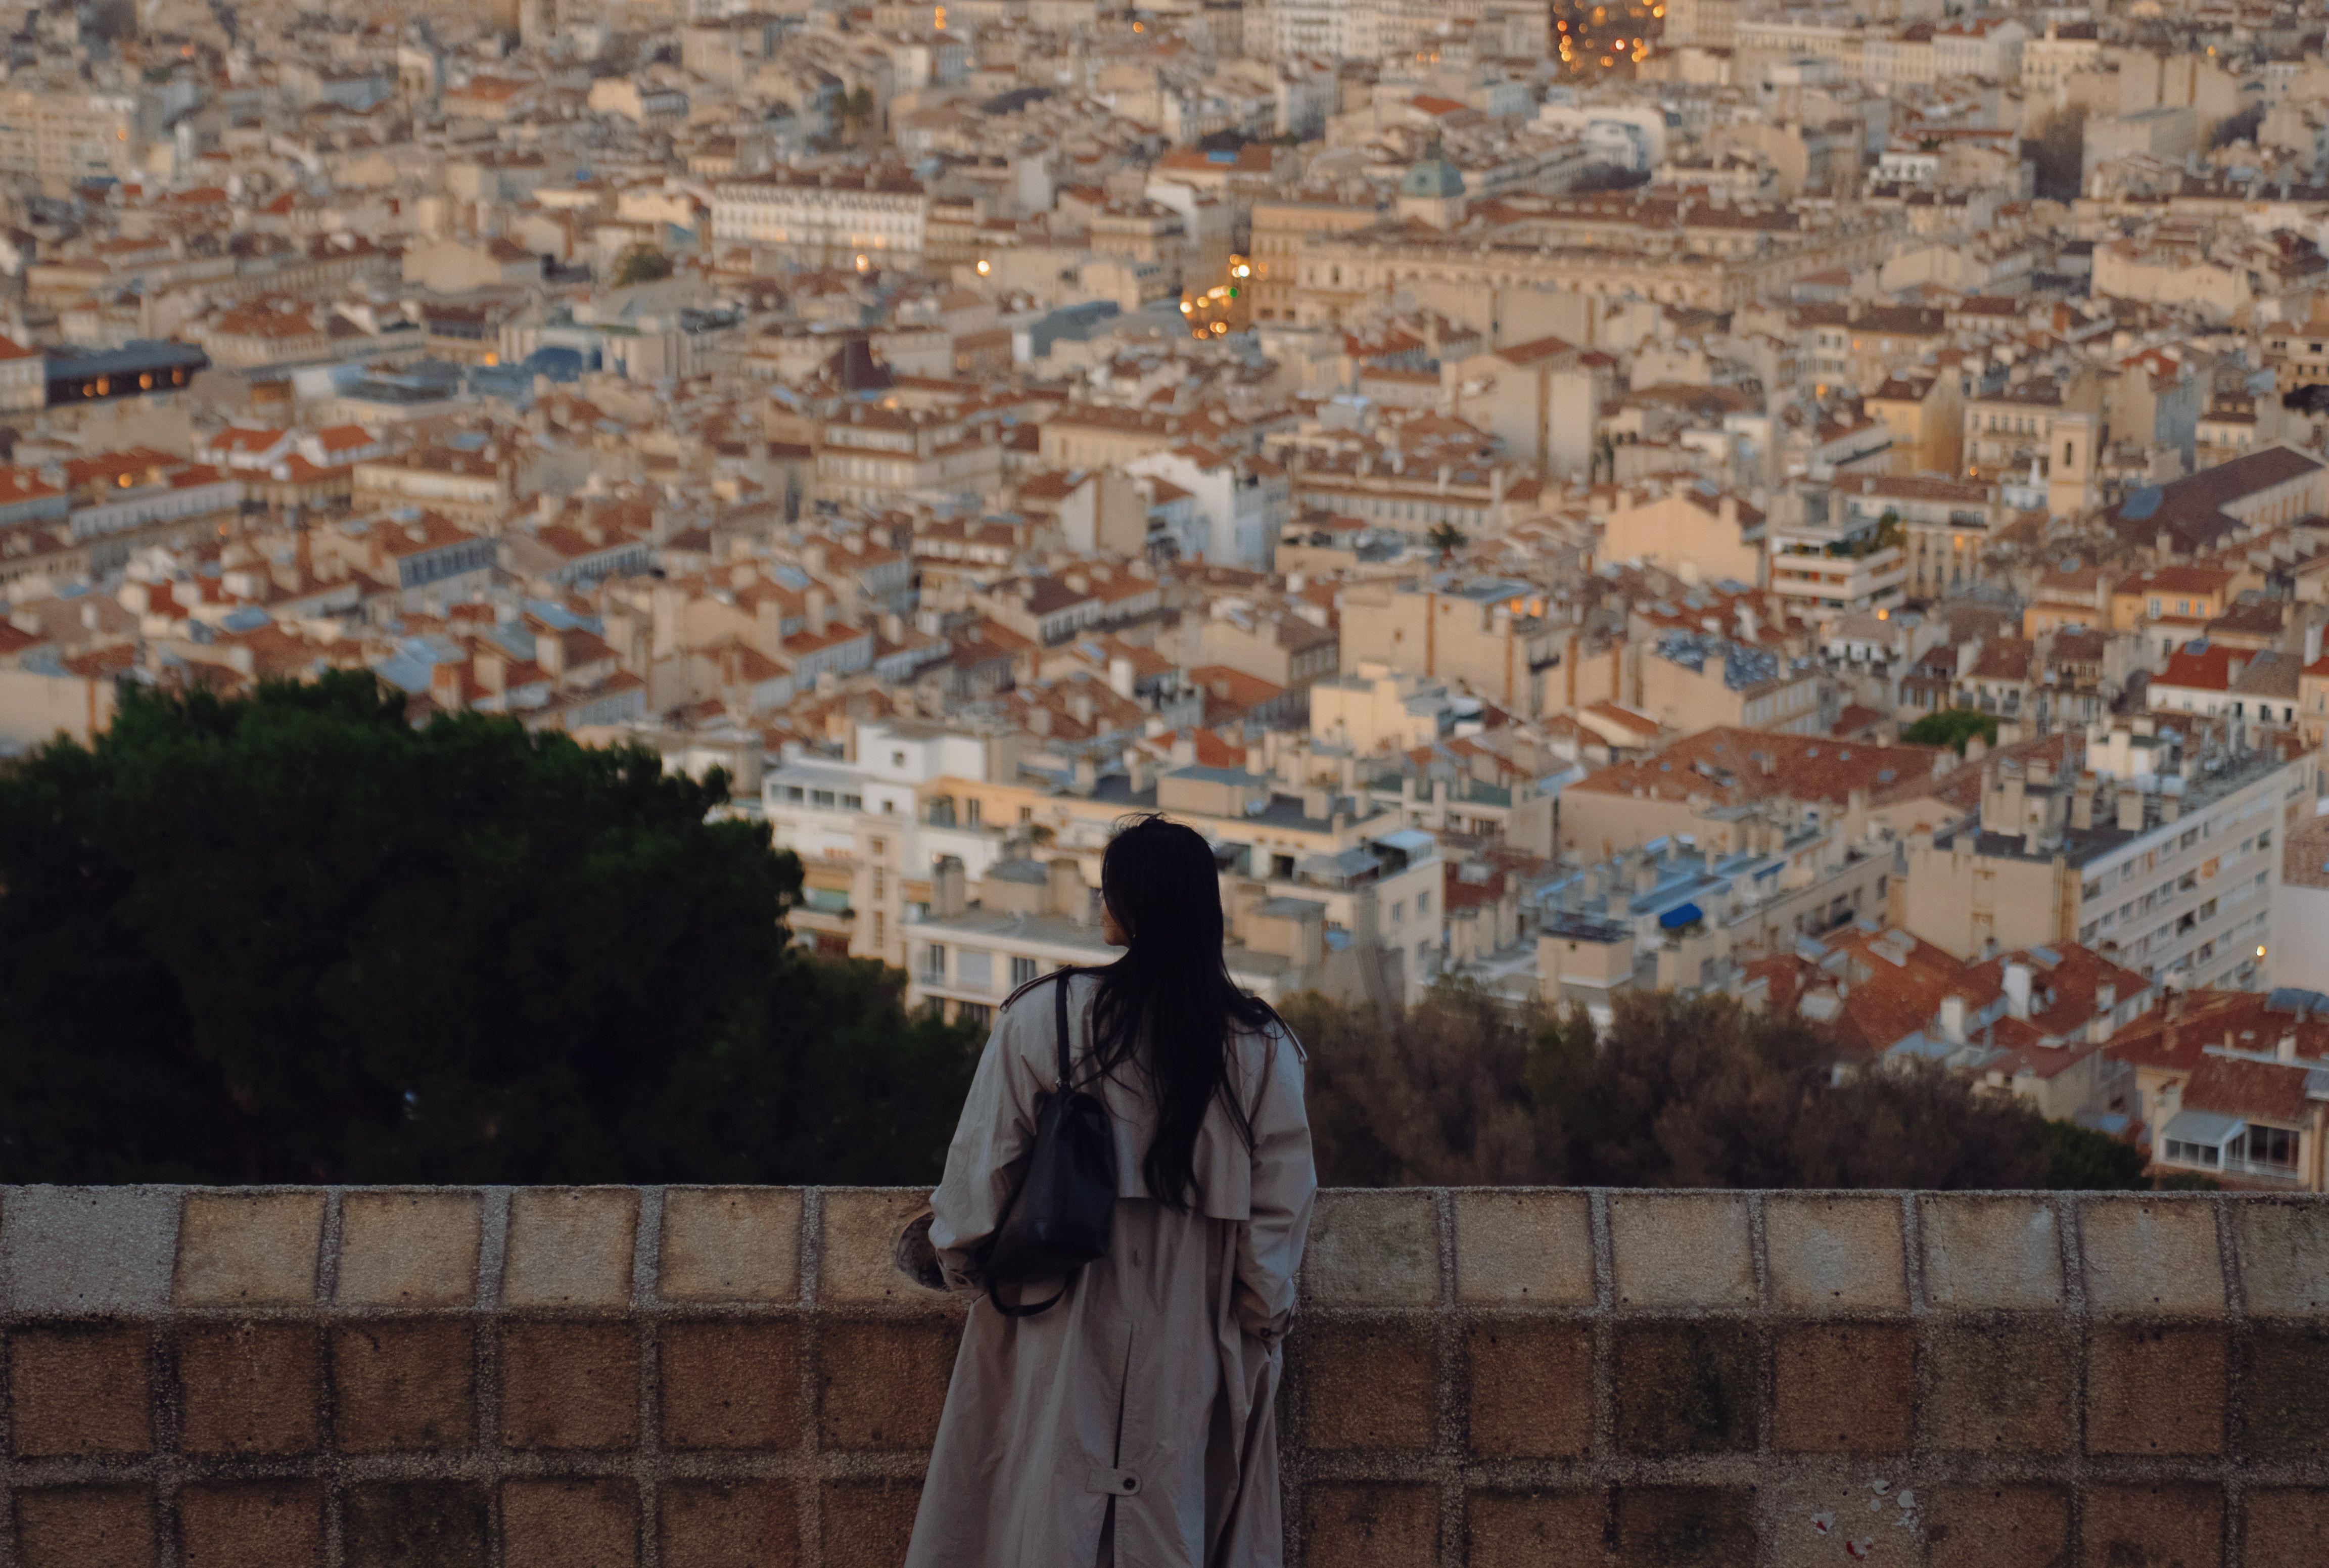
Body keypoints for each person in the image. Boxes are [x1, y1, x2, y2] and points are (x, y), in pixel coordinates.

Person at [902, 814, 1317, 1568]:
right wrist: (1251, 1325)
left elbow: (969, 1200)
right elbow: (1274, 1244)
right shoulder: (1265, 1051)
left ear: (1122, 910)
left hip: (1052, 1322)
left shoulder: (1043, 1018)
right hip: (1193, 1344)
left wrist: (974, 1277)